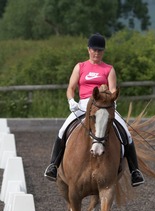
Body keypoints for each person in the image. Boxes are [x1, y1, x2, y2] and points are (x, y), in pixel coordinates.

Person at [44, 33, 144, 187]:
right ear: (88, 50)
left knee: (127, 133)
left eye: (100, 50)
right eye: (94, 50)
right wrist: (71, 101)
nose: (96, 53)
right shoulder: (80, 67)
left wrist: (111, 102)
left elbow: (112, 89)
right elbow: (71, 87)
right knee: (63, 130)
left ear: (103, 52)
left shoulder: (108, 69)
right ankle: (53, 165)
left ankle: (134, 171)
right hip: (83, 104)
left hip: (104, 105)